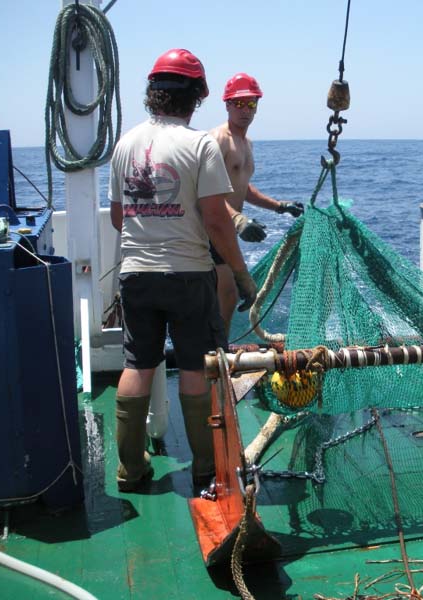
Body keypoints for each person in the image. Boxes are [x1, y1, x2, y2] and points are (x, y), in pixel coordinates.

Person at [109, 49, 258, 493]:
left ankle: (131, 471)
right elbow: (216, 218)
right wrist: (241, 273)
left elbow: (120, 217)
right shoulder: (200, 145)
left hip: (136, 273)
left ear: (153, 94)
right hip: (189, 275)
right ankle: (204, 470)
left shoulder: (125, 144)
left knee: (139, 364)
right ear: (196, 97)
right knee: (195, 368)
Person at [209, 72, 304, 333]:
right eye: (238, 103)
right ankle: (216, 356)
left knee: (227, 298)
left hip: (229, 230)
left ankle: (220, 353)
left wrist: (279, 206)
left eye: (250, 104)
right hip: (212, 230)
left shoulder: (246, 143)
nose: (245, 110)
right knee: (225, 295)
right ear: (226, 104)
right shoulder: (218, 140)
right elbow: (205, 192)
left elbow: (242, 188)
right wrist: (238, 220)